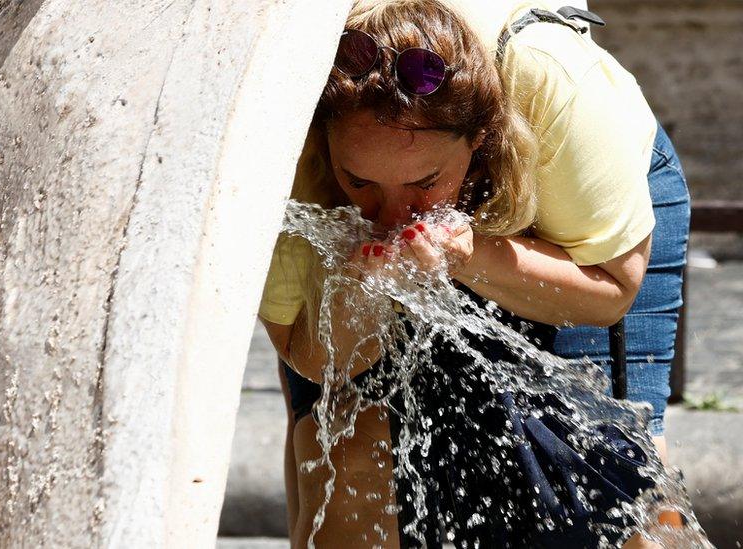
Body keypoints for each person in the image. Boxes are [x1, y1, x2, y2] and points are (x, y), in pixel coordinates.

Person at [258, 0, 690, 547]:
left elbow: (608, 294)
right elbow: (318, 362)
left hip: (579, 221)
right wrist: (358, 291)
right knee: (339, 449)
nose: (394, 219)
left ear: (480, 140)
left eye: (425, 181)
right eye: (360, 182)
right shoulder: (284, 129)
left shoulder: (550, 82)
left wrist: (473, 256)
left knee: (608, 473)